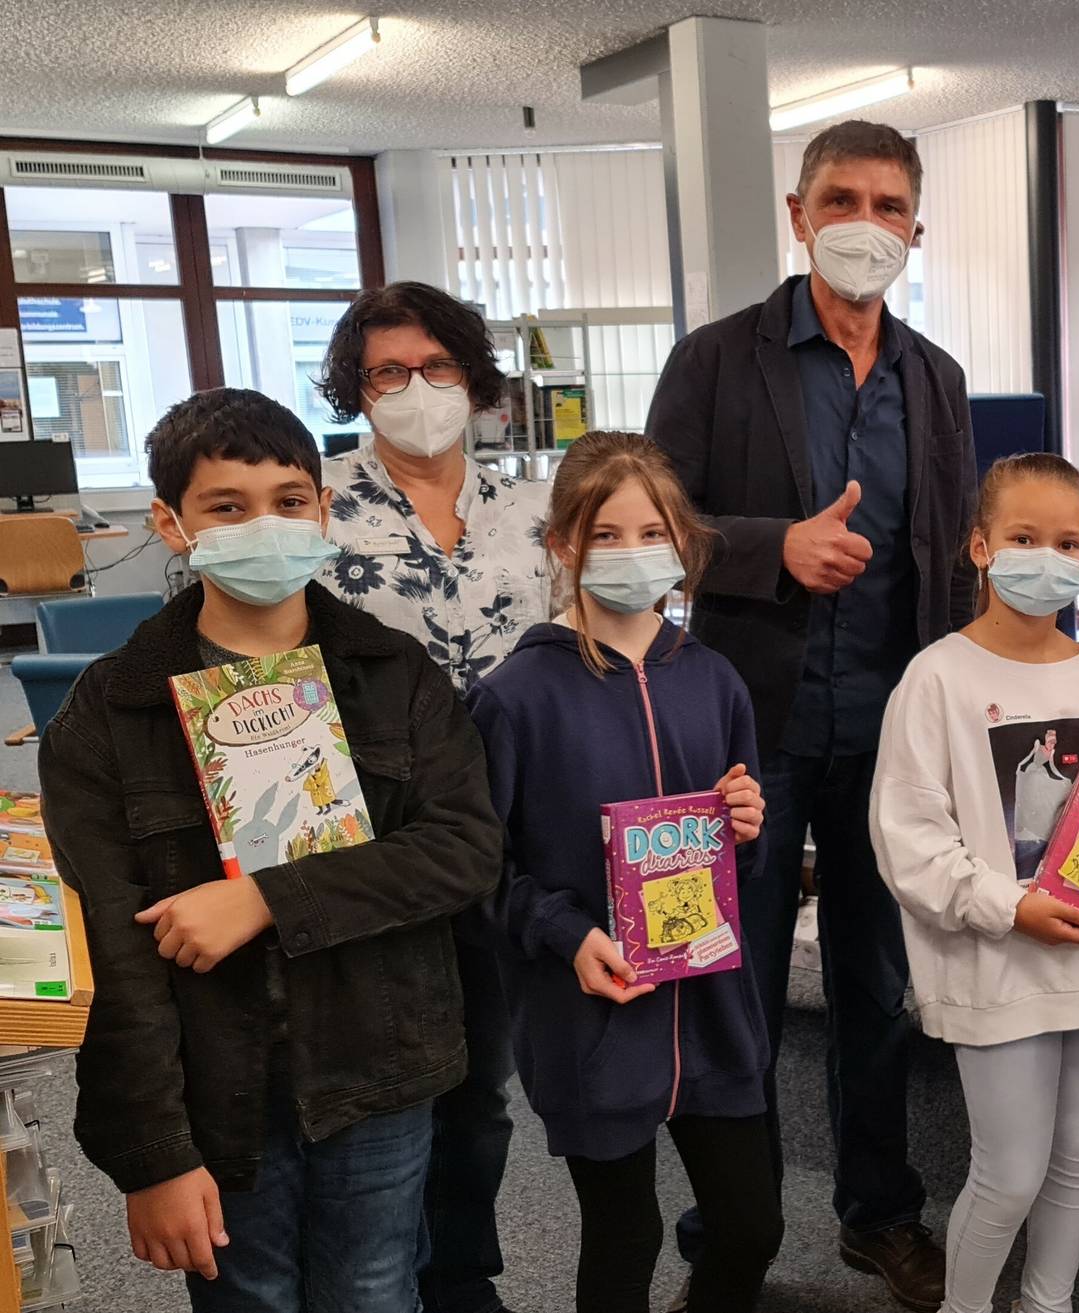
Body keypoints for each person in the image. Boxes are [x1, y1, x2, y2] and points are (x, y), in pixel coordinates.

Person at [38, 388, 503, 1311]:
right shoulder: (110, 711)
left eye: (290, 501)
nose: (266, 524)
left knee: (376, 1289)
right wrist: (155, 1154)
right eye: (228, 506)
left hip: (380, 1062)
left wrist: (266, 897)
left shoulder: (393, 673)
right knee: (249, 1297)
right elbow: (115, 955)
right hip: (219, 1081)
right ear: (172, 523)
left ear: (324, 510)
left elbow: (462, 848)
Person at [645, 119, 976, 1311]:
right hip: (748, 728)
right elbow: (653, 522)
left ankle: (878, 1213)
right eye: (843, 197)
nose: (866, 222)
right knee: (726, 982)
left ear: (915, 229)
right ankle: (726, 1239)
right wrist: (770, 547)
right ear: (798, 214)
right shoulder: (718, 360)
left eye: (891, 204)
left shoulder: (934, 377)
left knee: (877, 987)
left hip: (895, 729)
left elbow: (954, 557)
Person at [870, 453, 1079, 1313]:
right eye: (1024, 536)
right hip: (1000, 963)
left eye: (1068, 541)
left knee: (1076, 1155)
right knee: (1010, 1173)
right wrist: (1009, 903)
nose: (1045, 557)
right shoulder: (936, 678)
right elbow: (908, 838)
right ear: (980, 546)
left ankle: (1046, 1306)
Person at [467, 432, 782, 1313]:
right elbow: (484, 871)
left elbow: (739, 853)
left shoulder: (714, 680)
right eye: (606, 534)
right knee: (626, 1237)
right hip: (592, 1019)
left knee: (752, 1225)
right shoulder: (515, 696)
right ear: (562, 544)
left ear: (683, 541)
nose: (633, 552)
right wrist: (567, 937)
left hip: (714, 1012)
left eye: (654, 531)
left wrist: (748, 829)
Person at [315, 279, 550, 1313]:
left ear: (473, 376)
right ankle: (378, 1275)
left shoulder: (538, 508)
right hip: (371, 845)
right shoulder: (313, 506)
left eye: (438, 365)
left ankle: (459, 1273)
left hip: (505, 839)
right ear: (357, 391)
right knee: (383, 1086)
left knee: (478, 1088)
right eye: (389, 372)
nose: (418, 388)